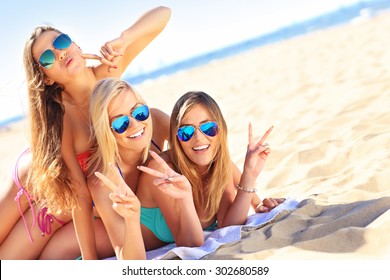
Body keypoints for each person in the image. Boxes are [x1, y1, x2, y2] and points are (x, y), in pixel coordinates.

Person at [0, 6, 171, 260]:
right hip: (36, 179)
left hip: (65, 204)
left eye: (62, 42)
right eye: (47, 58)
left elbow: (164, 14)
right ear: (46, 78)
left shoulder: (109, 74)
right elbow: (79, 192)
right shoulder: (60, 115)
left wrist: (124, 39)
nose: (59, 53)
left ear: (76, 45)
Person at [137, 91, 285, 233]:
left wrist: (250, 176)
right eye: (186, 132)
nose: (199, 138)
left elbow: (228, 225)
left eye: (208, 128)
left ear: (220, 129)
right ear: (177, 138)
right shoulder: (163, 171)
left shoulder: (217, 164)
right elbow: (190, 242)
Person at [88, 78, 203, 258]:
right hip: (130, 228)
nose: (135, 124)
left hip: (165, 206)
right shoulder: (103, 180)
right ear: (106, 130)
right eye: (120, 123)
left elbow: (205, 149)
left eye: (140, 112)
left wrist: (255, 199)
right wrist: (132, 220)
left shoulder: (156, 120)